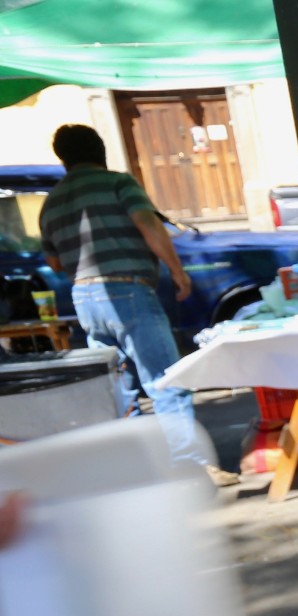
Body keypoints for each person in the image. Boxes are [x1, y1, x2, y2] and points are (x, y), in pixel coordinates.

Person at [37, 125, 224, 484]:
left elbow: (56, 263)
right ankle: (188, 467)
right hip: (128, 289)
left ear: (63, 158)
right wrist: (177, 272)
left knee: (120, 387)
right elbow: (148, 225)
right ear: (100, 151)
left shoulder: (52, 201)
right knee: (166, 379)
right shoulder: (118, 183)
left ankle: (141, 470)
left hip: (84, 298)